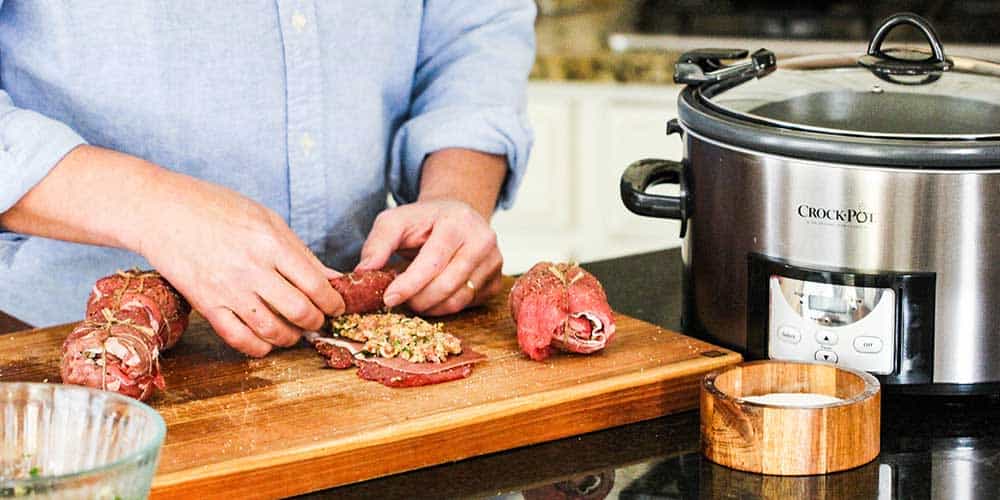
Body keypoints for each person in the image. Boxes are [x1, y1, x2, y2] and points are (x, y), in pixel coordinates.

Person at [0, 2, 535, 357]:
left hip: (367, 336)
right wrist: (152, 208)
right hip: (54, 351)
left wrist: (455, 195)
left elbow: (476, 31)